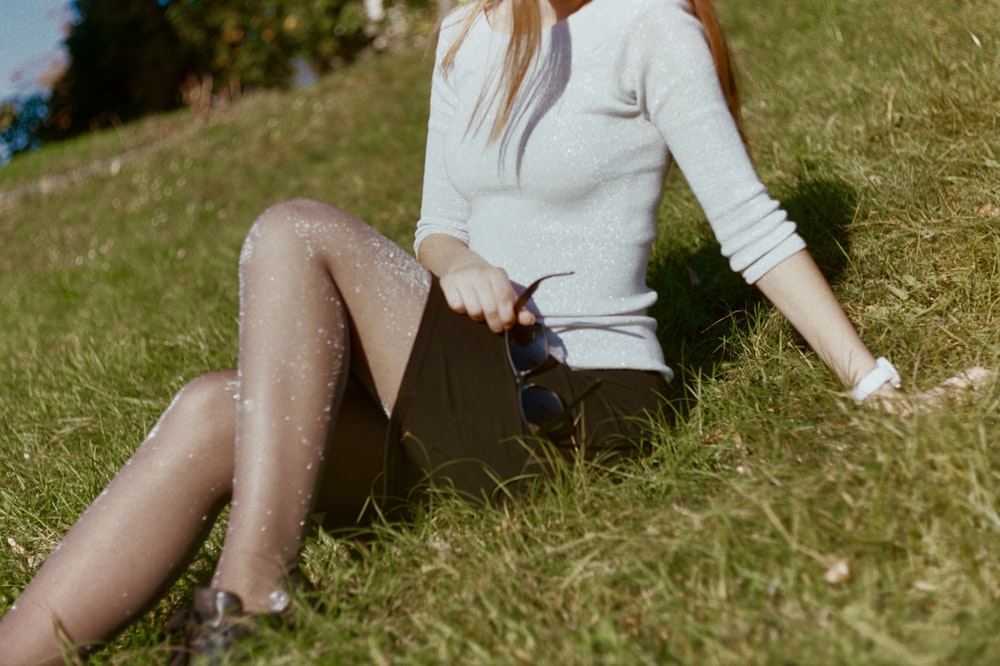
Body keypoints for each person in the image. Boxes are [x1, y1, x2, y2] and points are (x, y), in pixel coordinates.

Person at [0, 0, 911, 662]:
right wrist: (458, 264)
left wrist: (872, 384)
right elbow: (438, 223)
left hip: (571, 400)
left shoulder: (651, 28)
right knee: (209, 410)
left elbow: (751, 227)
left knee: (294, 229)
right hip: (463, 392)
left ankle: (248, 600)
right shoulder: (469, 31)